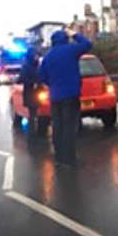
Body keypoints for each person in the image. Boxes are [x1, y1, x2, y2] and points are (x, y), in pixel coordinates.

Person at [37, 28, 92, 167]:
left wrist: (53, 84)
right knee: (70, 126)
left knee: (58, 126)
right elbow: (87, 44)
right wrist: (74, 34)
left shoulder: (48, 56)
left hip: (55, 96)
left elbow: (41, 76)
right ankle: (69, 158)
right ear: (65, 39)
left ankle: (59, 157)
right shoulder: (71, 50)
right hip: (71, 94)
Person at [17, 48, 40, 136]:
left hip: (34, 92)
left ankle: (33, 131)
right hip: (30, 92)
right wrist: (33, 83)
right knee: (32, 113)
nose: (37, 57)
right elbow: (23, 79)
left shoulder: (34, 65)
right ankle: (32, 133)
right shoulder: (27, 66)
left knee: (34, 113)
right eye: (35, 55)